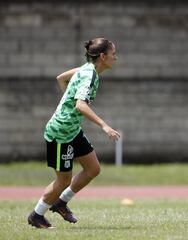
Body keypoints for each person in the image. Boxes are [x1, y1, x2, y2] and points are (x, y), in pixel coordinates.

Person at [27, 38, 120, 229]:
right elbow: (80, 104)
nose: (115, 58)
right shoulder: (89, 75)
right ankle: (36, 215)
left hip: (72, 130)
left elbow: (61, 78)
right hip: (61, 133)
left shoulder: (85, 69)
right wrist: (104, 125)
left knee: (93, 169)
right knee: (63, 180)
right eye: (113, 54)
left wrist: (67, 103)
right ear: (102, 56)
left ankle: (60, 203)